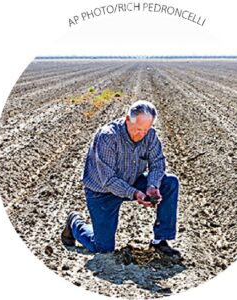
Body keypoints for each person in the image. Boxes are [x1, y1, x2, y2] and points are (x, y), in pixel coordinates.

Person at [61, 100, 180, 256]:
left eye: (146, 130)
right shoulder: (108, 137)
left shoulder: (149, 136)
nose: (141, 134)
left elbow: (157, 163)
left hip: (132, 180)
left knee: (170, 183)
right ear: (127, 119)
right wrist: (136, 194)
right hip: (102, 191)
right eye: (138, 129)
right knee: (103, 249)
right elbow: (109, 180)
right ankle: (74, 223)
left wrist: (152, 186)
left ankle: (160, 241)